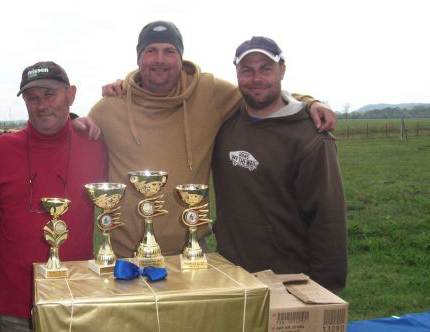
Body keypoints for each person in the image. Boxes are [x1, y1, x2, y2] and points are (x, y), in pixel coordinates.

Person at [90, 20, 337, 258]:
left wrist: (308, 101)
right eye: (151, 50)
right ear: (139, 58)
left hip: (192, 251)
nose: (160, 59)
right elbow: (76, 133)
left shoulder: (210, 92)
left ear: (181, 57)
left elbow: (259, 91)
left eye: (169, 51)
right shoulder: (108, 107)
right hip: (124, 255)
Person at [0, 61, 107, 332]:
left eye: (50, 94)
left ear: (70, 95)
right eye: (32, 97)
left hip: (76, 296)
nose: (41, 105)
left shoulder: (97, 146)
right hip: (15, 299)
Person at [212, 37, 347, 293]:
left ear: (282, 70)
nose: (256, 78)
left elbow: (328, 220)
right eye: (247, 70)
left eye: (266, 68)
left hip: (288, 279)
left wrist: (325, 289)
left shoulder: (311, 137)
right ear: (236, 74)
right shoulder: (226, 121)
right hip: (230, 273)